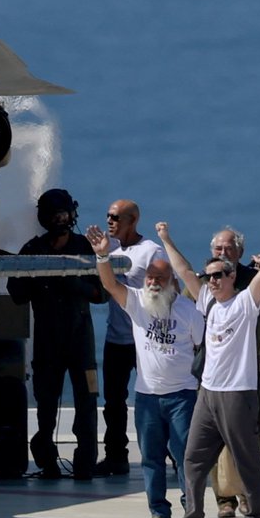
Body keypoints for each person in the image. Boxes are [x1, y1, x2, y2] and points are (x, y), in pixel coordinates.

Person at [161, 226, 260, 518]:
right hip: (208, 394)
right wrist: (166, 240)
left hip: (238, 395)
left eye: (218, 276)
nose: (212, 281)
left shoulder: (245, 303)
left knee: (247, 461)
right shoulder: (207, 302)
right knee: (192, 459)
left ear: (231, 277)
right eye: (210, 276)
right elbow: (184, 270)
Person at [89, 228, 203, 518]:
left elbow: (200, 346)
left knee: (184, 457)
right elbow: (110, 284)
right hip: (147, 397)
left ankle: (192, 510)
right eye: (150, 276)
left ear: (172, 283)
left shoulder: (188, 311)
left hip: (181, 396)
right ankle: (159, 512)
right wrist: (102, 255)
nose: (152, 282)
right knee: (151, 458)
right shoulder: (137, 301)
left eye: (159, 278)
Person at [7, 189, 104, 480]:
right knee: (45, 406)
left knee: (87, 402)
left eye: (65, 214)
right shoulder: (32, 250)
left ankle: (85, 463)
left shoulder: (85, 248)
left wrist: (75, 284)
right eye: (56, 215)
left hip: (81, 342)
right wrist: (37, 277)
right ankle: (47, 461)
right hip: (48, 342)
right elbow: (16, 293)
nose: (62, 220)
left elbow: (102, 294)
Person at [205, 227, 260, 518]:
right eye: (218, 249)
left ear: (239, 252)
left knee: (254, 432)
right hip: (216, 373)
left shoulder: (254, 279)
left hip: (257, 364)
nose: (223, 254)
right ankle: (223, 497)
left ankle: (243, 491)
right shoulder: (207, 281)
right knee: (215, 436)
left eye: (229, 249)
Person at [94, 199, 162, 476]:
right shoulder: (107, 249)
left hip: (145, 337)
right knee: (113, 402)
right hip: (116, 338)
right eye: (108, 216)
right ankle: (115, 456)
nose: (110, 222)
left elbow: (168, 287)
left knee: (157, 396)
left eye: (116, 217)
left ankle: (167, 453)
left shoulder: (151, 251)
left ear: (132, 221)